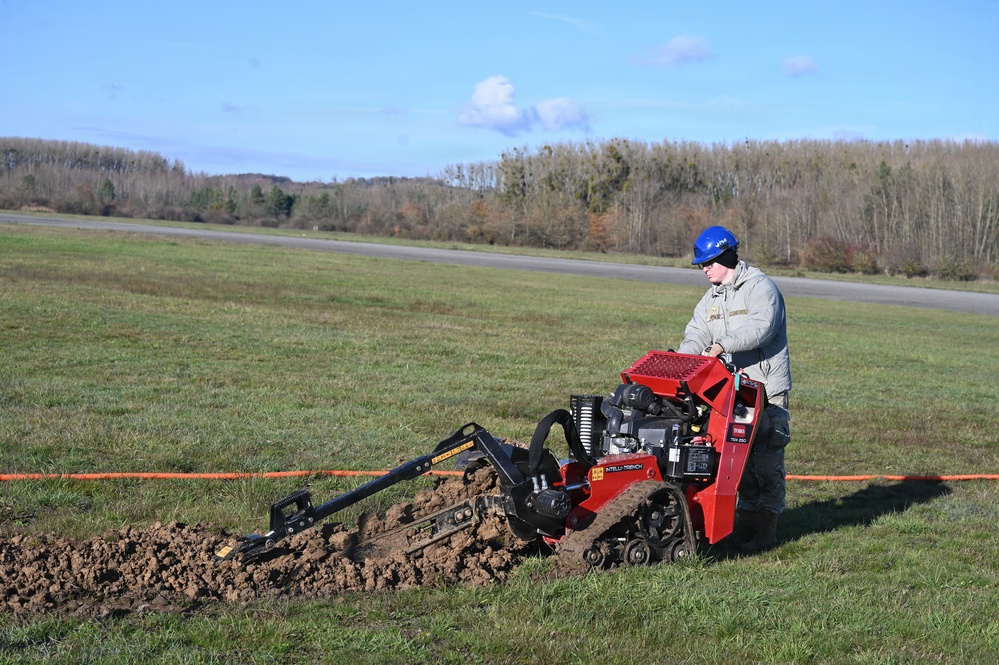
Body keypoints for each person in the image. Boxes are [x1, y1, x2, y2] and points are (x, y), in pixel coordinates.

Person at [676, 226, 791, 554]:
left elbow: (762, 328)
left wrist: (721, 345)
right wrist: (683, 360)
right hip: (732, 393)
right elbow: (696, 333)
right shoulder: (711, 298)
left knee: (765, 461)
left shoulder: (760, 287)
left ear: (726, 256)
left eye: (708, 262)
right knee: (738, 462)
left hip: (765, 391)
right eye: (701, 264)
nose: (704, 269)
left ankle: (766, 531)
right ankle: (745, 526)